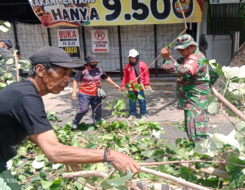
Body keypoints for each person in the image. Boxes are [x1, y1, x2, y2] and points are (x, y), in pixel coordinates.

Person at [0, 47, 140, 189]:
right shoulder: (27, 97)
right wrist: (110, 155)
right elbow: (53, 152)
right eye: (62, 73)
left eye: (70, 74)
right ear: (40, 70)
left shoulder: (23, 90)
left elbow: (32, 132)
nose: (68, 80)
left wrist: (67, 155)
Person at [161, 34, 210, 142]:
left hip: (195, 103)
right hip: (192, 101)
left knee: (196, 132)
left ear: (192, 46)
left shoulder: (195, 57)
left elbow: (183, 71)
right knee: (191, 129)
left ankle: (200, 155)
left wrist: (168, 59)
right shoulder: (190, 57)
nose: (181, 52)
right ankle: (197, 153)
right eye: (179, 49)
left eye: (183, 49)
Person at [72, 55, 121, 129]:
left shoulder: (99, 70)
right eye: (93, 62)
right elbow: (75, 81)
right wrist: (74, 92)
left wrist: (115, 85)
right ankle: (75, 122)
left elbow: (106, 77)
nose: (95, 63)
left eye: (96, 62)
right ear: (88, 63)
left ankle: (97, 124)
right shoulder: (82, 71)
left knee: (97, 110)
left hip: (96, 94)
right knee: (84, 109)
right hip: (84, 94)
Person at [121, 49, 150, 120]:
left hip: (140, 87)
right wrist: (123, 85)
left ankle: (143, 114)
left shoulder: (143, 65)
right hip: (131, 88)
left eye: (133, 57)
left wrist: (146, 84)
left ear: (137, 57)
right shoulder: (127, 66)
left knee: (142, 101)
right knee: (132, 102)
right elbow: (125, 76)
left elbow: (146, 75)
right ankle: (132, 114)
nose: (132, 59)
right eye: (130, 58)